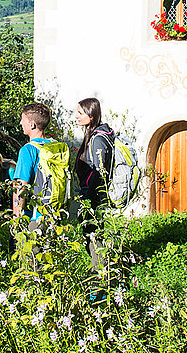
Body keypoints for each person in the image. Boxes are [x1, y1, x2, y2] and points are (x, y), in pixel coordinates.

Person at [74, 97, 114, 269]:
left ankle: (99, 279)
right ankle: (100, 273)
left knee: (94, 236)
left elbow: (99, 172)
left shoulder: (98, 139)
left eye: (80, 113)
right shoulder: (94, 134)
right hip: (93, 194)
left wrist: (87, 197)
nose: (77, 116)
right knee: (92, 235)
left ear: (91, 116)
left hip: (94, 197)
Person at [12, 102, 53, 222]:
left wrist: (16, 221)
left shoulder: (28, 150)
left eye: (22, 119)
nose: (20, 123)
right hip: (54, 214)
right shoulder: (55, 146)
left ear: (32, 125)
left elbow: (20, 187)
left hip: (35, 217)